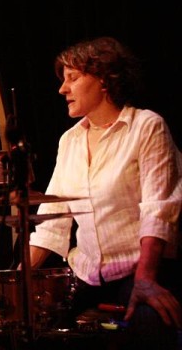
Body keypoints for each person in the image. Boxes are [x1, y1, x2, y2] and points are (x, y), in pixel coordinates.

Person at [28, 36, 182, 348]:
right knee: (31, 329)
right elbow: (52, 222)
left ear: (104, 80)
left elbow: (158, 210)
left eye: (72, 78)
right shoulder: (69, 140)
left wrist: (146, 280)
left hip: (137, 270)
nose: (62, 89)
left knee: (151, 323)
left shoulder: (146, 126)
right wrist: (12, 283)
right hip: (85, 276)